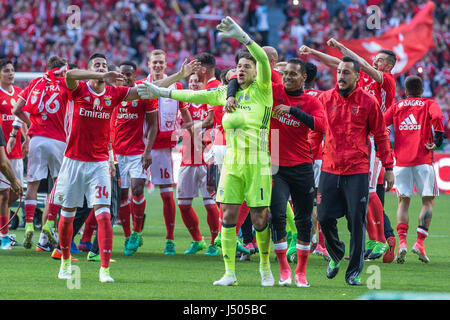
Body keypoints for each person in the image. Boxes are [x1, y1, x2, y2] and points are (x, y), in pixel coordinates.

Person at [138, 17, 275, 287]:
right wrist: (159, 91)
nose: (242, 70)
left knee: (260, 217)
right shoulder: (225, 93)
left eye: (248, 66)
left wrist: (242, 36)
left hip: (258, 164)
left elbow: (262, 57)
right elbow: (192, 97)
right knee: (228, 216)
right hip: (232, 165)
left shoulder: (263, 91)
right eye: (239, 67)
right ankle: (229, 273)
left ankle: (265, 267)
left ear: (257, 71)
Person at [54, 52, 191, 283]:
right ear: (90, 69)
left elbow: (151, 87)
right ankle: (65, 261)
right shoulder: (79, 89)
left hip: (99, 163)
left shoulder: (114, 93)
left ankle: (105, 270)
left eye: (105, 65)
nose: (102, 68)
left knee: (104, 214)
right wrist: (100, 74)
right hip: (73, 161)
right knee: (67, 216)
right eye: (97, 65)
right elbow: (70, 74)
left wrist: (179, 75)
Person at [300, 40, 398, 262]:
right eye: (376, 59)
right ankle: (383, 237)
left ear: (389, 66)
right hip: (348, 145)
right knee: (363, 197)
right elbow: (340, 64)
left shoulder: (387, 82)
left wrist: (340, 46)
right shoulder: (357, 80)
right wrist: (314, 52)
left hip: (370, 140)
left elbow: (358, 63)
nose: (375, 61)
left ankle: (379, 240)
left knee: (370, 193)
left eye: (380, 60)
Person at [316, 56, 394, 286]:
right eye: (339, 71)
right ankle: (336, 252)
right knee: (323, 216)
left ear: (358, 77)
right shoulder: (324, 98)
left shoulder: (369, 102)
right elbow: (316, 130)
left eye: (347, 72)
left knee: (356, 220)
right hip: (329, 167)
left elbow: (381, 136)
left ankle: (353, 273)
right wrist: (311, 153)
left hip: (357, 170)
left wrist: (388, 167)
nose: (341, 75)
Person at [269, 58, 326, 287]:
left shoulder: (310, 101)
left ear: (303, 77)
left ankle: (301, 272)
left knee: (304, 219)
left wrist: (293, 111)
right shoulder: (273, 92)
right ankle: (284, 268)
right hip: (275, 165)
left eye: (293, 74)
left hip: (302, 165)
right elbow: (249, 75)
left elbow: (322, 126)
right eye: (285, 74)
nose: (287, 77)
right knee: (278, 216)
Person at [138, 49, 197, 255]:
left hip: (163, 148)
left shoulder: (177, 86)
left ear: (165, 64)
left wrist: (192, 134)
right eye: (154, 62)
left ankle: (169, 239)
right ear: (148, 63)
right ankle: (134, 234)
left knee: (166, 194)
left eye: (161, 62)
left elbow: (185, 111)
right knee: (133, 191)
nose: (157, 65)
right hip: (139, 147)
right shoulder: (141, 85)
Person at [10, 56, 69, 251]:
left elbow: (17, 109)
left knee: (33, 184)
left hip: (36, 139)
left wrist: (31, 123)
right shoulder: (66, 82)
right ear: (62, 69)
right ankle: (49, 223)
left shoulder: (35, 82)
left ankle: (28, 225)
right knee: (58, 184)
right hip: (59, 139)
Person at [383, 75, 444, 264]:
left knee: (403, 202)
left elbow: (382, 124)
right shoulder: (428, 103)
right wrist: (439, 138)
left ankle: (401, 243)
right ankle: (419, 243)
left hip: (400, 161)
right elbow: (438, 117)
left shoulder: (397, 106)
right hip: (423, 159)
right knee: (428, 201)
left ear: (405, 90)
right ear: (422, 89)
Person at [110, 60, 158, 256]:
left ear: (135, 75)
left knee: (137, 188)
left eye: (130, 74)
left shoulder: (143, 93)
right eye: (123, 74)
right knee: (121, 194)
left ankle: (137, 232)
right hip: (116, 152)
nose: (126, 77)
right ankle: (128, 235)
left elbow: (154, 125)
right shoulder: (112, 93)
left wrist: (148, 150)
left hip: (137, 151)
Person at [176, 73, 220, 255]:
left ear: (203, 84)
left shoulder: (209, 103)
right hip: (188, 158)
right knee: (183, 204)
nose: (194, 84)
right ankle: (197, 240)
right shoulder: (182, 105)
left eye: (197, 81)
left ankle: (214, 243)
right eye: (191, 81)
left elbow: (215, 126)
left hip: (207, 159)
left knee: (210, 204)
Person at [304, 62, 330, 260]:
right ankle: (319, 243)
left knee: (294, 201)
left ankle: (300, 240)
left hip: (294, 155)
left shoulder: (290, 96)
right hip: (317, 155)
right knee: (318, 200)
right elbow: (325, 126)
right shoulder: (322, 97)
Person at [0, 60, 23, 250]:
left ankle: (3, 228)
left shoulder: (18, 93)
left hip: (17, 151)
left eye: (12, 70)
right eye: (6, 71)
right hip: (3, 153)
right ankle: (4, 236)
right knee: (4, 195)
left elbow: (22, 116)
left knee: (16, 192)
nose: (10, 73)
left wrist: (28, 138)